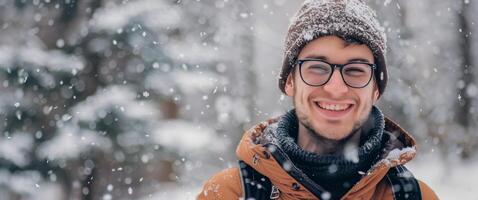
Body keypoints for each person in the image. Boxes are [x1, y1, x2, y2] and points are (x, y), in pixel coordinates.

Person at [197, 0, 438, 199]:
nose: (335, 88)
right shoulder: (230, 193)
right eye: (317, 67)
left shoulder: (414, 196)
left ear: (376, 89)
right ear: (289, 81)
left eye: (355, 70)